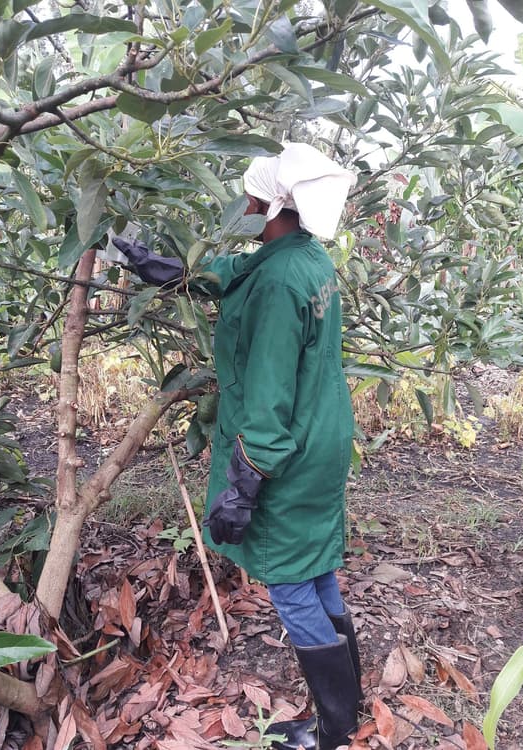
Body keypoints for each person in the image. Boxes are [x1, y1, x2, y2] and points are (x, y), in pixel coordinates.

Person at [113, 142, 361, 750]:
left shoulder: (279, 283)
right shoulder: (306, 257)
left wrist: (244, 482)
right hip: (323, 435)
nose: (243, 205)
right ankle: (345, 715)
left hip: (289, 451)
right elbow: (245, 271)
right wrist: (184, 273)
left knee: (288, 582)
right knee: (314, 565)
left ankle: (333, 731)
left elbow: (270, 396)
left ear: (273, 204)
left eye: (250, 197)